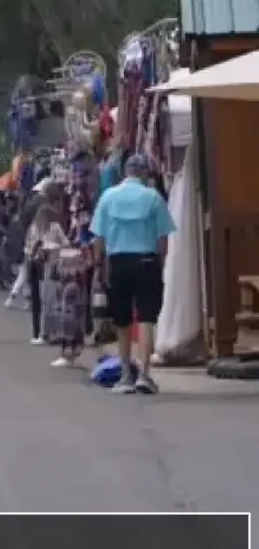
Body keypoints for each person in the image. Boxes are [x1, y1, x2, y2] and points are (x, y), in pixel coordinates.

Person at [91, 154, 175, 395]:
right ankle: (145, 375)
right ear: (145, 173)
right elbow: (162, 239)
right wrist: (160, 262)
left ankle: (127, 375)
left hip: (118, 263)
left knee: (122, 320)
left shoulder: (108, 197)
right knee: (146, 319)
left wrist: (99, 265)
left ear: (125, 172)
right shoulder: (153, 198)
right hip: (146, 260)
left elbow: (99, 237)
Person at [25, 199, 67, 345]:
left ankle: (45, 332)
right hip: (42, 265)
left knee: (45, 300)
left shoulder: (48, 228)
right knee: (42, 299)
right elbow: (29, 247)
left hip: (45, 265)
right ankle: (42, 332)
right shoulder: (38, 228)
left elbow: (65, 244)